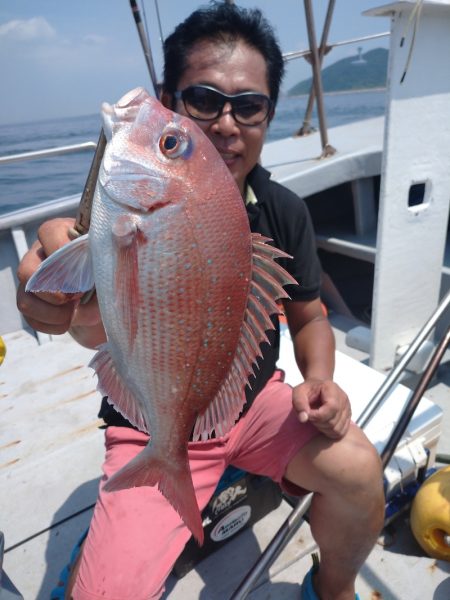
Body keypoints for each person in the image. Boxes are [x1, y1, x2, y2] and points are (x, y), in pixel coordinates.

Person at [16, 4, 384, 599]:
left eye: (250, 105)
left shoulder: (282, 211)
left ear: (268, 114)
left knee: (361, 470)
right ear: (170, 97)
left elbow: (310, 314)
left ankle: (334, 588)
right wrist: (49, 292)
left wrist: (321, 378)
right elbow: (83, 323)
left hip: (254, 404)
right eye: (204, 100)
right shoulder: (120, 216)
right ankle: (140, 509)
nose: (227, 123)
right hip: (149, 423)